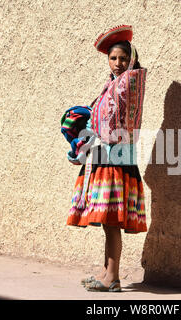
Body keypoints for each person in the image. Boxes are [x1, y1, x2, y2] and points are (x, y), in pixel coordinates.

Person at [65, 25, 147, 292]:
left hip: (116, 160)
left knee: (111, 221)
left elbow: (117, 119)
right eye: (113, 58)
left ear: (131, 59)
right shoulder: (110, 86)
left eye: (123, 58)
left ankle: (112, 276)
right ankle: (105, 273)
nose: (118, 63)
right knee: (104, 221)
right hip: (103, 157)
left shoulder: (130, 82)